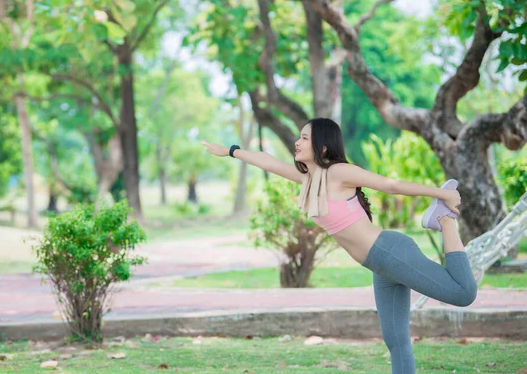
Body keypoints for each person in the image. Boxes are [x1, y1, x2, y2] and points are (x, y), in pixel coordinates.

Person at [201, 117, 477, 374]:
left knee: (463, 293)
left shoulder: (339, 172)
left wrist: (442, 193)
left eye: (304, 138)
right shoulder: (310, 180)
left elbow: (389, 185)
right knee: (395, 340)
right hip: (379, 265)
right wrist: (230, 150)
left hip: (390, 252)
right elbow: (268, 162)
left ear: (322, 145)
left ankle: (444, 219)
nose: (297, 142)